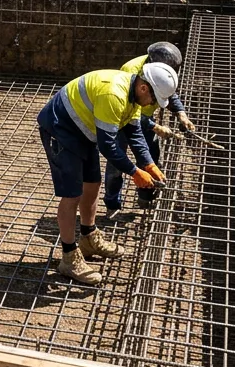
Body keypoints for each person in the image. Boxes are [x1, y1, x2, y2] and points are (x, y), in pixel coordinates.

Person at [37, 62, 179, 285]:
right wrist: (135, 172)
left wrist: (149, 164)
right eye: (154, 99)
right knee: (72, 195)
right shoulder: (114, 94)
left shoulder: (133, 96)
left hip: (82, 130)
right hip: (61, 128)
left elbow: (134, 132)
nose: (153, 104)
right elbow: (109, 146)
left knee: (92, 183)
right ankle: (68, 258)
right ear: (144, 88)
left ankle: (89, 238)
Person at [104, 41, 195, 216]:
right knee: (117, 163)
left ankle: (145, 197)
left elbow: (168, 92)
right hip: (122, 119)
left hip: (145, 117)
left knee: (150, 157)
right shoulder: (131, 71)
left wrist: (181, 113)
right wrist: (155, 127)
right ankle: (112, 203)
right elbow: (128, 113)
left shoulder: (158, 71)